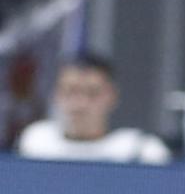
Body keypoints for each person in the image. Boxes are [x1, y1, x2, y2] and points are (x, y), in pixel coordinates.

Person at [15, 55, 171, 165]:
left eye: (92, 93)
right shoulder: (35, 142)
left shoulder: (140, 151)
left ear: (112, 96)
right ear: (56, 94)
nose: (80, 103)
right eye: (71, 91)